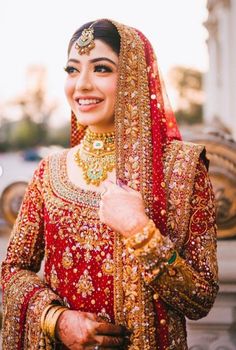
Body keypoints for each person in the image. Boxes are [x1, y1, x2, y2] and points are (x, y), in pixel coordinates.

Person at [1, 19, 219, 350]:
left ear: (134, 78)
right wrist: (56, 320)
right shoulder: (49, 172)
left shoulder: (181, 168)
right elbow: (13, 270)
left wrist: (139, 230)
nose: (82, 84)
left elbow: (200, 299)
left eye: (101, 69)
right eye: (72, 70)